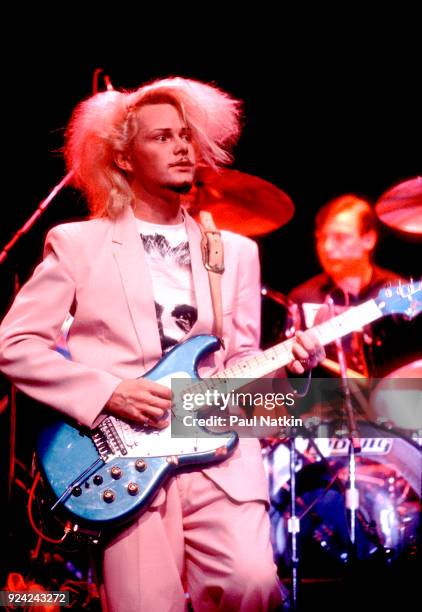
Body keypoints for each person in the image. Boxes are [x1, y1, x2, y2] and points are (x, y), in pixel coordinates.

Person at [0, 77, 324, 612]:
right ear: (124, 158)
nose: (181, 147)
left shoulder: (235, 252)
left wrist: (292, 365)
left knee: (251, 586)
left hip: (217, 453)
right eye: (161, 137)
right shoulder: (79, 243)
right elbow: (16, 343)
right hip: (127, 460)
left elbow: (239, 359)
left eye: (185, 136)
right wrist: (109, 391)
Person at [288, 194, 412, 378]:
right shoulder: (302, 298)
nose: (327, 247)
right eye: (321, 238)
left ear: (369, 239)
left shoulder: (399, 293)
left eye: (340, 237)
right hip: (323, 402)